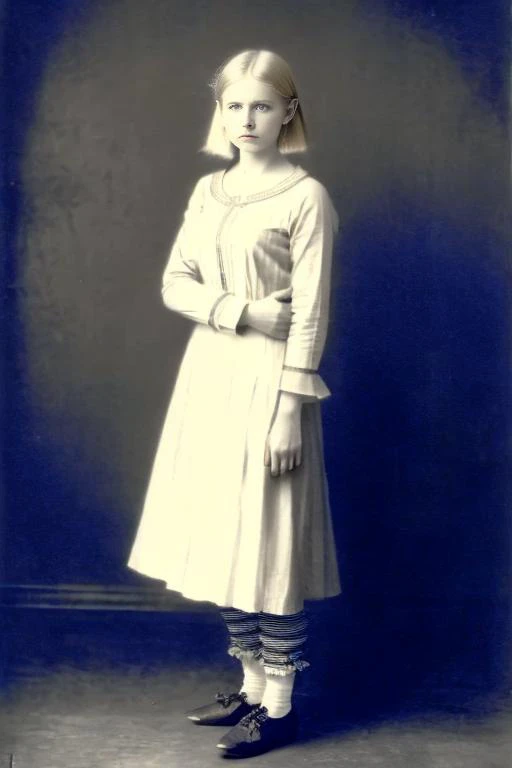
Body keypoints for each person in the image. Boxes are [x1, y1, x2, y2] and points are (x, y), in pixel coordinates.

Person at [127, 49, 342, 759]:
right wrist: (243, 310)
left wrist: (288, 407)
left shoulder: (306, 198)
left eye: (261, 105)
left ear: (289, 110)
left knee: (269, 545)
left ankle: (280, 707)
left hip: (274, 385)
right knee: (225, 542)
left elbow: (310, 315)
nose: (246, 119)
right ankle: (250, 687)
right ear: (221, 113)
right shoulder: (208, 191)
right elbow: (174, 283)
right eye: (233, 106)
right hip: (210, 378)